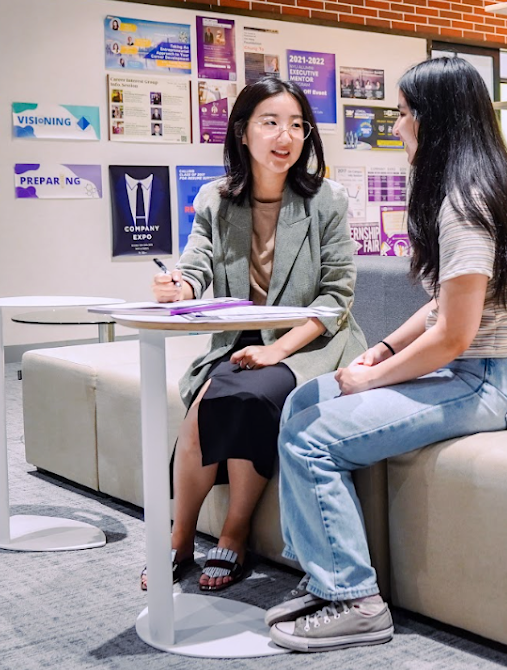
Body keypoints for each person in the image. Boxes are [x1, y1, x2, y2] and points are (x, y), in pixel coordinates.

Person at [264, 56, 507, 653]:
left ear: (432, 119)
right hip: (482, 372)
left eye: (401, 113)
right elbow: (444, 308)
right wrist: (383, 351)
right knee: (302, 401)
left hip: (495, 381)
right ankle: (324, 575)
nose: (395, 126)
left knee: (311, 437)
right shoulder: (480, 188)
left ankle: (355, 602)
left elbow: (453, 337)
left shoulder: (466, 205)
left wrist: (371, 381)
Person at [140, 74, 364, 592]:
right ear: (243, 132)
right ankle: (179, 537)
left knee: (248, 396)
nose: (285, 136)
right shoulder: (216, 199)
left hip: (309, 341)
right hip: (240, 338)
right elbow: (196, 265)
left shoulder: (327, 200)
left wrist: (277, 351)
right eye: (270, 123)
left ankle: (234, 533)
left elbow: (336, 297)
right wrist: (178, 286)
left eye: (297, 125)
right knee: (203, 407)